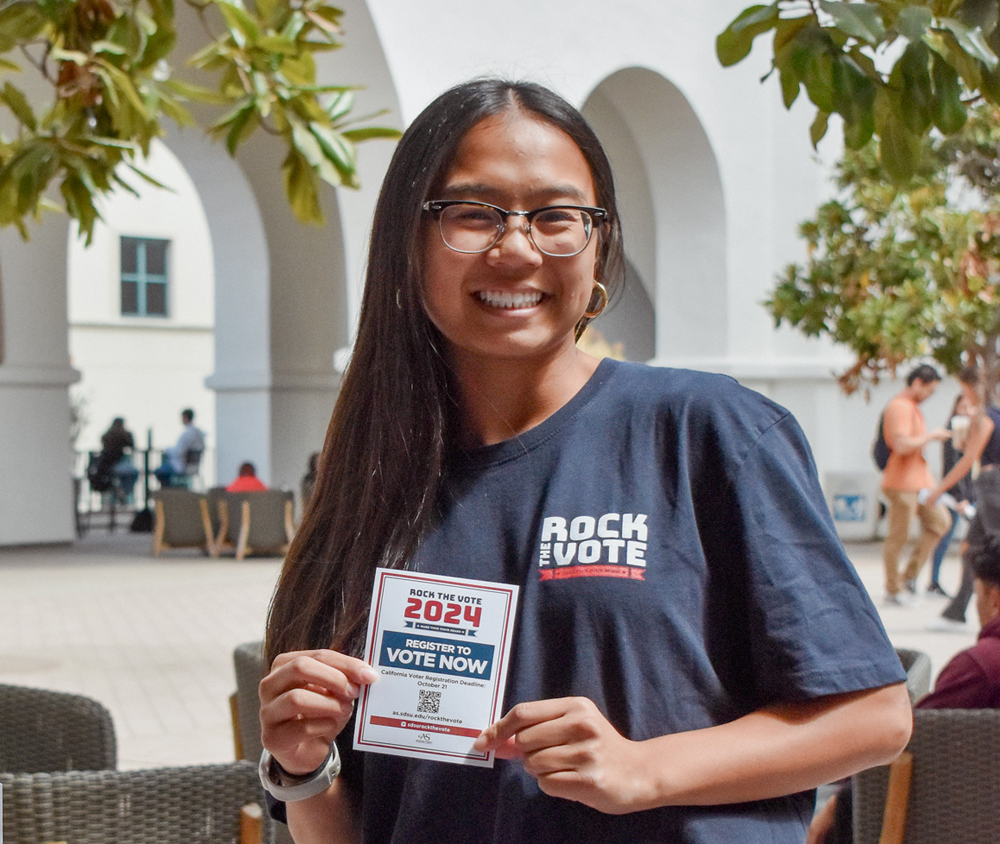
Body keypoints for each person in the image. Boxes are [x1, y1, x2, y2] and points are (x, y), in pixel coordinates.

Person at [258, 79, 911, 844]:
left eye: (555, 216)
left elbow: (874, 717)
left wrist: (644, 770)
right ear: (407, 243)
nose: (516, 248)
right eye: (473, 214)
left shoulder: (708, 430)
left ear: (600, 243)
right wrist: (303, 770)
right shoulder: (372, 480)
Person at [807, 532, 1000, 843]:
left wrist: (836, 801)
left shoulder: (981, 667)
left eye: (976, 593)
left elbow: (909, 743)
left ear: (994, 599)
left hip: (934, 816)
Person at [922, 365, 1000, 631]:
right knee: (970, 549)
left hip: (992, 484)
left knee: (988, 547)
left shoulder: (988, 416)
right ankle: (957, 611)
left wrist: (938, 489)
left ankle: (963, 610)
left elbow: (968, 460)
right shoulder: (993, 415)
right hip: (989, 484)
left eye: (964, 389)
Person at [879, 365, 951, 605]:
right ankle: (893, 588)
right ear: (918, 383)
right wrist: (931, 436)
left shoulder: (913, 408)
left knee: (939, 523)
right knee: (898, 536)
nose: (930, 396)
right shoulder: (899, 406)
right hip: (901, 483)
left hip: (920, 483)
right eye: (929, 390)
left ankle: (908, 576)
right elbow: (900, 445)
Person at [927, 391, 977, 597]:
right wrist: (960, 496)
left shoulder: (975, 431)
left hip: (969, 495)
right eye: (962, 407)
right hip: (956, 496)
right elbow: (954, 467)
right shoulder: (954, 432)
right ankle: (934, 582)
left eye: (969, 407)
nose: (966, 411)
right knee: (945, 539)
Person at [89, 416, 140, 500]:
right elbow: (132, 445)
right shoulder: (124, 434)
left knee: (107, 477)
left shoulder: (108, 434)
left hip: (105, 461)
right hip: (116, 460)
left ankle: (114, 492)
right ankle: (122, 494)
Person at [154, 408, 206, 486]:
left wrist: (167, 450)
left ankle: (169, 491)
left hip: (183, 466)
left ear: (185, 417)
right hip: (194, 466)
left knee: (160, 472)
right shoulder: (199, 433)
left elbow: (178, 451)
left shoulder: (187, 433)